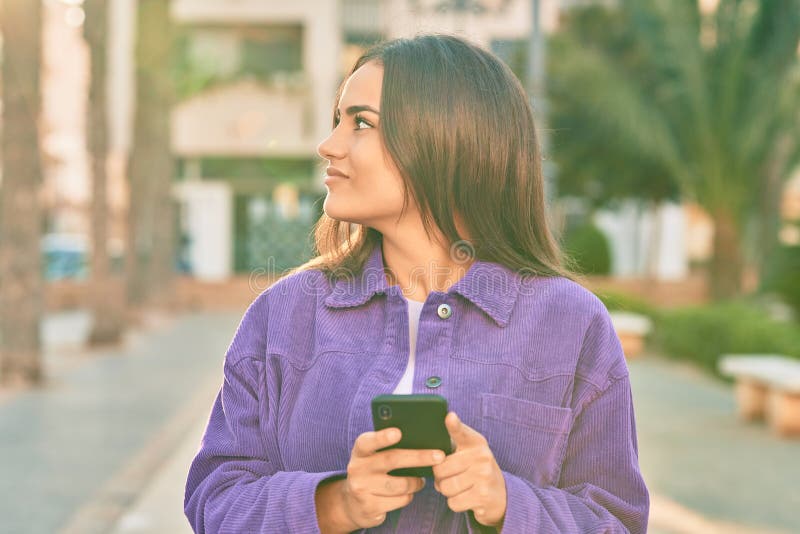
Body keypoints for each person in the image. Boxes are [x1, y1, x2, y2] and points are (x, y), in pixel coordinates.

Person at [184, 33, 649, 533]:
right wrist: (336, 503)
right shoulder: (284, 313)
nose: (329, 145)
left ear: (445, 140)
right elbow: (215, 499)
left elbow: (618, 522)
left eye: (361, 122)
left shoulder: (572, 324)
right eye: (338, 120)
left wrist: (505, 503)